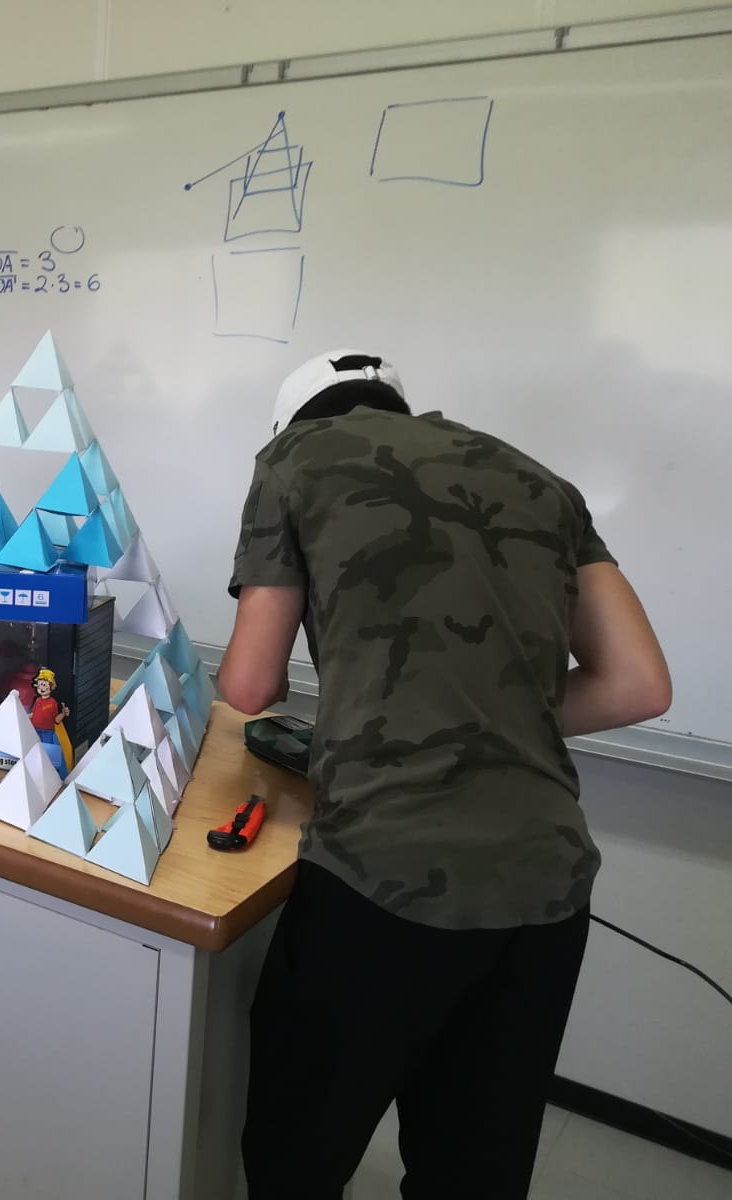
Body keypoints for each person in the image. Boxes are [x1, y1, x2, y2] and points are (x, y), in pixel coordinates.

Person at [217, 349, 671, 1199]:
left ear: (289, 423)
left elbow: (249, 687)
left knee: (296, 1157)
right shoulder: (542, 482)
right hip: (547, 889)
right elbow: (639, 685)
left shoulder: (292, 463)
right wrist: (489, 715)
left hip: (386, 880)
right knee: (472, 1174)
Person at [28, 668, 72, 776]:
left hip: (47, 732)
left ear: (51, 686)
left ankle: (49, 772)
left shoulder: (52, 703)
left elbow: (56, 720)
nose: (42, 687)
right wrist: (21, 716)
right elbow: (32, 714)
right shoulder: (37, 701)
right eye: (40, 685)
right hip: (35, 731)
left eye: (44, 685)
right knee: (34, 750)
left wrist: (63, 714)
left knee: (47, 752)